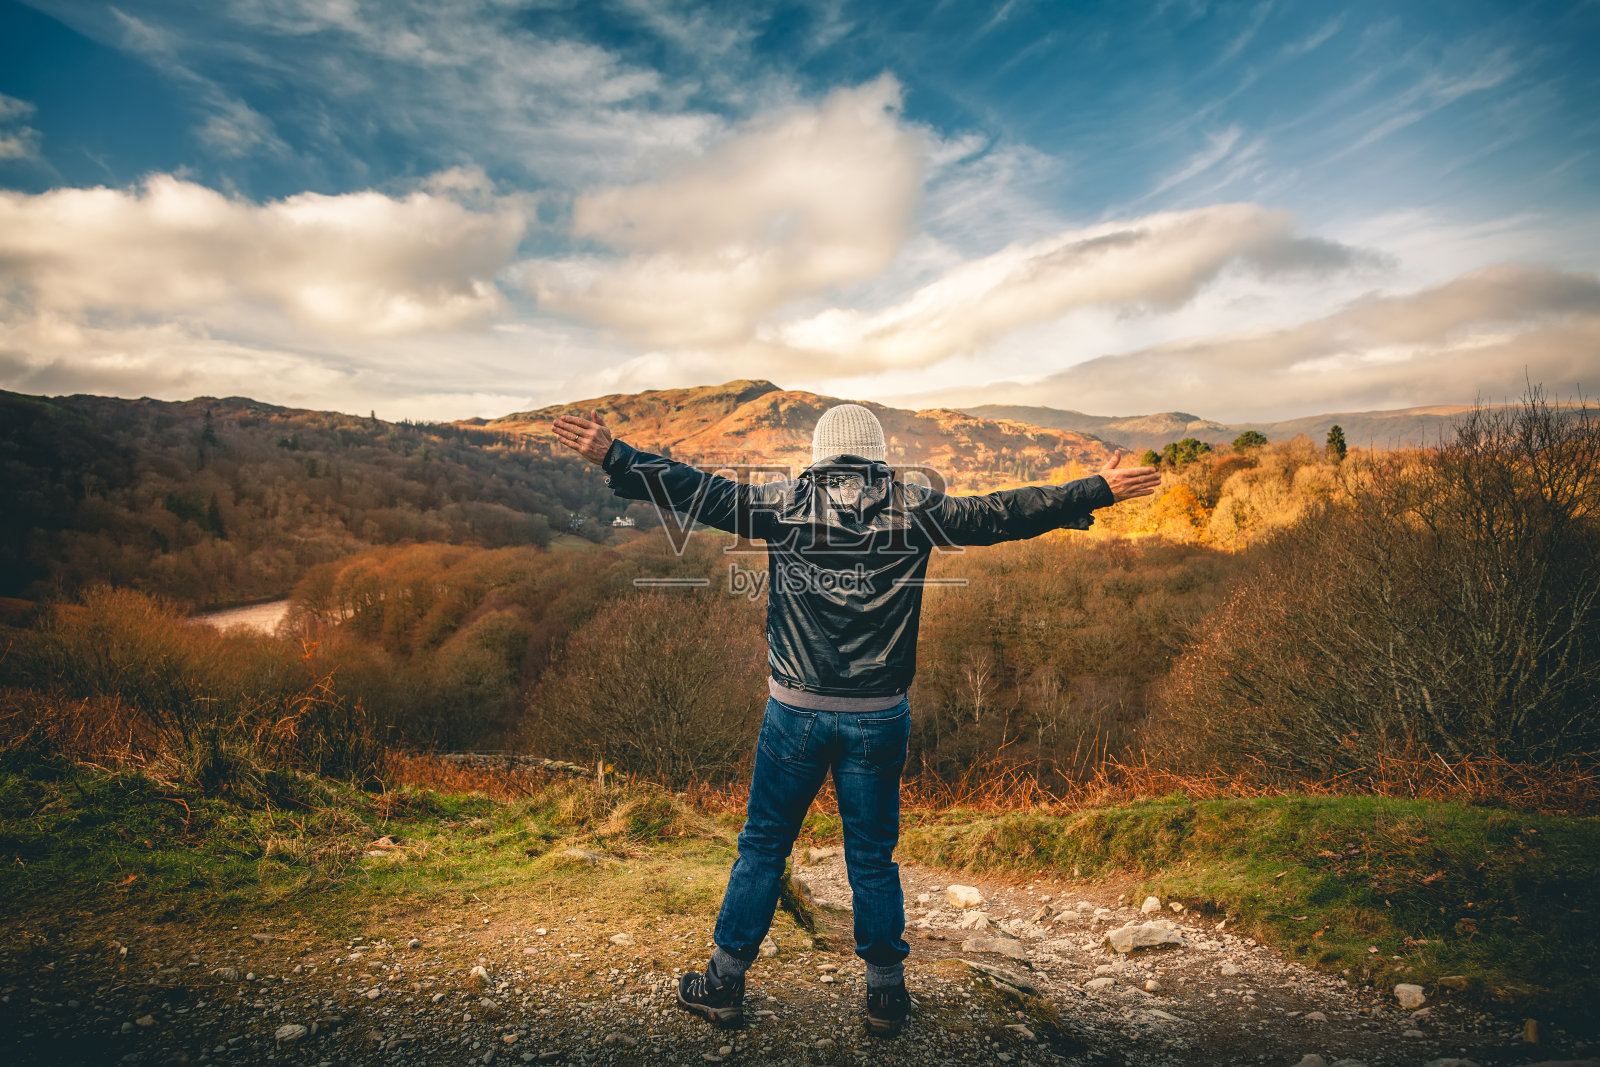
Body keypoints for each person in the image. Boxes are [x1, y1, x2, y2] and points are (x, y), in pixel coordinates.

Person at [552, 402, 1159, 1037]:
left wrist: (613, 454)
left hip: (795, 713)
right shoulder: (917, 508)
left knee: (763, 846)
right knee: (872, 858)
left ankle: (724, 985)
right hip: (880, 716)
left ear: (818, 457)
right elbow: (1003, 513)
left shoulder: (783, 504)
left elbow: (694, 489)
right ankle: (885, 998)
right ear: (878, 456)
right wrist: (1098, 489)